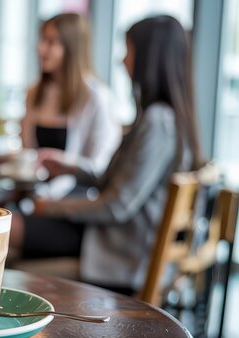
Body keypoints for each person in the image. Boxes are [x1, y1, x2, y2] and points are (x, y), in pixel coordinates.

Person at [13, 15, 204, 293]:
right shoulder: (163, 118)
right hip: (110, 238)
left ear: (149, 57)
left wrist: (49, 207)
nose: (122, 60)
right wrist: (72, 168)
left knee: (4, 239)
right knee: (6, 236)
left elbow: (116, 205)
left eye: (129, 51)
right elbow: (118, 181)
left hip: (116, 250)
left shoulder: (157, 122)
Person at [21, 13, 120, 198]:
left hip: (76, 200)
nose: (41, 48)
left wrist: (65, 163)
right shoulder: (34, 93)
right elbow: (28, 152)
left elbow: (101, 168)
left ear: (72, 48)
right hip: (36, 194)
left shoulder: (97, 97)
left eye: (52, 42)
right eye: (42, 39)